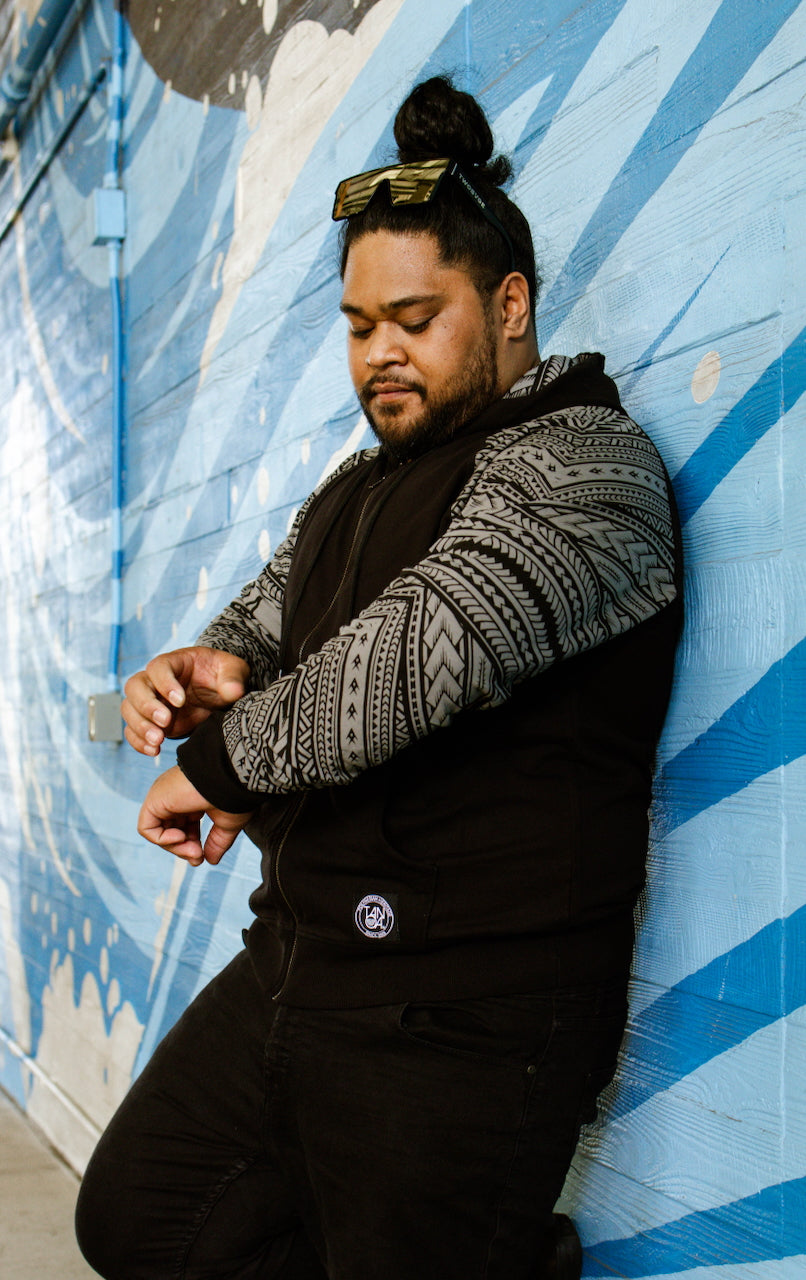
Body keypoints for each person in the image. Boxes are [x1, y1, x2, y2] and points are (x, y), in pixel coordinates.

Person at [76, 76, 681, 1280]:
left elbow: (409, 658)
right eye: (359, 326)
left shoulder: (584, 461)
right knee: (142, 1214)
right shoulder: (358, 485)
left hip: (463, 1014)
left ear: (509, 304)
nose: (380, 353)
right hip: (303, 959)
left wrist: (218, 763)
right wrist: (208, 667)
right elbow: (269, 613)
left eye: (413, 317)